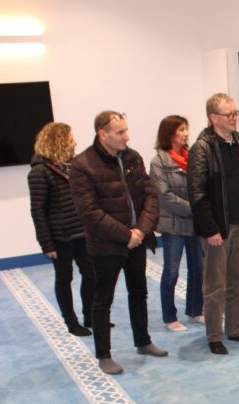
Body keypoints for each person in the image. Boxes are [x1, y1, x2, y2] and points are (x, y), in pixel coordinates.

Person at [69, 111, 166, 375]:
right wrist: (126, 235)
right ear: (102, 134)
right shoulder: (82, 165)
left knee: (139, 292)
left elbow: (150, 196)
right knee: (103, 299)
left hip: (136, 239)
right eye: (120, 132)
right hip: (106, 245)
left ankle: (143, 341)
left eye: (126, 130)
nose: (127, 136)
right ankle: (104, 355)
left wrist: (141, 230)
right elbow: (90, 213)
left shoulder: (132, 157)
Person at [187, 93, 239, 355]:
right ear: (213, 117)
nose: (234, 118)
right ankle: (214, 336)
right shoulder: (202, 148)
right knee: (215, 285)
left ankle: (236, 329)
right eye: (228, 114)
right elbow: (197, 193)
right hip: (217, 229)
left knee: (238, 281)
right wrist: (210, 229)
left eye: (235, 113)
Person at [27, 123, 96, 338]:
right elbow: (38, 211)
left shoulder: (74, 166)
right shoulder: (39, 172)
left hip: (81, 231)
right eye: (70, 139)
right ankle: (71, 322)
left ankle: (90, 315)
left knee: (91, 273)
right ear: (58, 142)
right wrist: (47, 244)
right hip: (60, 236)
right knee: (64, 278)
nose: (75, 143)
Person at [150, 115, 203, 332]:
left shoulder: (192, 158)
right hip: (173, 225)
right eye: (181, 130)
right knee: (171, 272)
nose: (186, 134)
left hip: (194, 223)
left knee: (198, 268)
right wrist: (195, 209)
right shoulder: (158, 162)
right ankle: (169, 316)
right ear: (169, 134)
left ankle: (195, 309)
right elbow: (165, 196)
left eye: (186, 129)